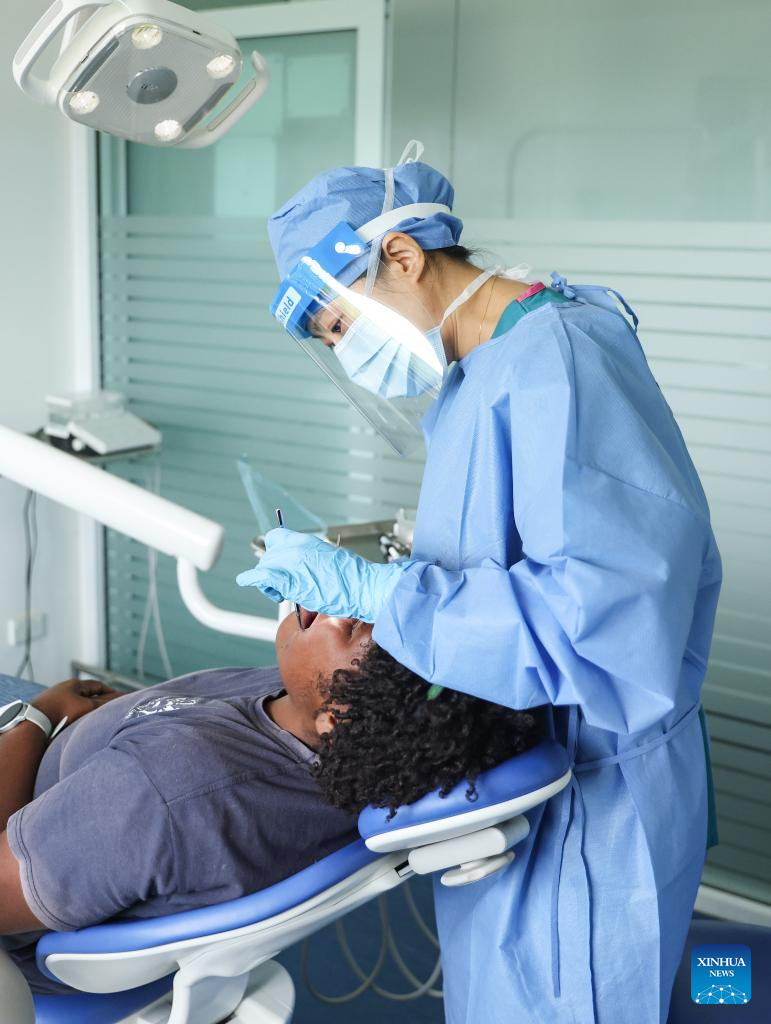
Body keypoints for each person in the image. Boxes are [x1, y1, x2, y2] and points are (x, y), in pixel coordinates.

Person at [236, 141, 724, 1023]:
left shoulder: (559, 358)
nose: (348, 355)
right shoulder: (478, 372)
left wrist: (383, 597)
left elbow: (605, 617)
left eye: (341, 325)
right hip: (523, 764)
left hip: (595, 795)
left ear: (401, 256)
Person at [0, 608, 541, 996]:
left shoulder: (176, 791)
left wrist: (31, 724)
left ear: (342, 717)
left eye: (358, 631)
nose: (335, 606)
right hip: (67, 764)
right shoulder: (330, 721)